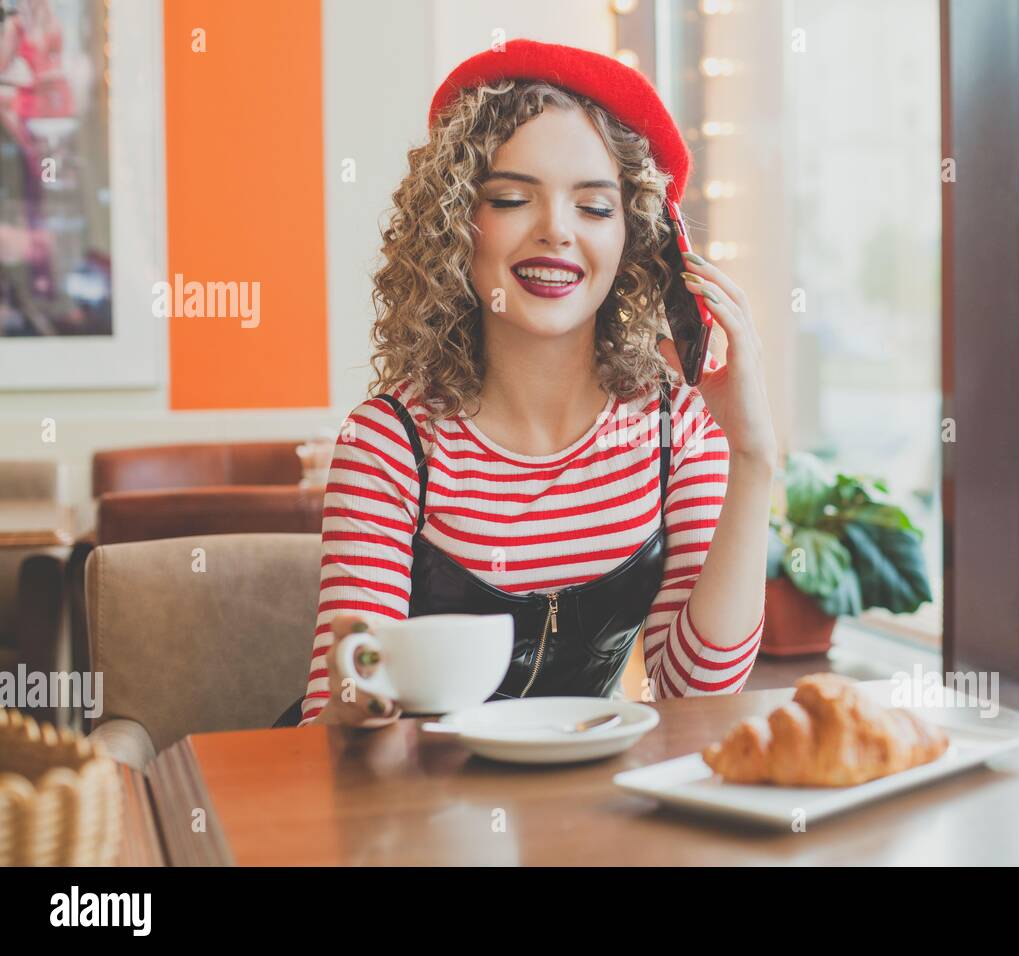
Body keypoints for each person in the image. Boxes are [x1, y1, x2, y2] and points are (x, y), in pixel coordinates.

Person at [277, 39, 777, 730]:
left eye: (595, 208)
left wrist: (754, 458)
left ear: (636, 241)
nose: (556, 232)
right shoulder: (388, 445)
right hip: (416, 814)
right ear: (457, 226)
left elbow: (696, 698)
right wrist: (364, 696)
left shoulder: (678, 431)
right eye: (513, 198)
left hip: (581, 813)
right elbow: (334, 728)